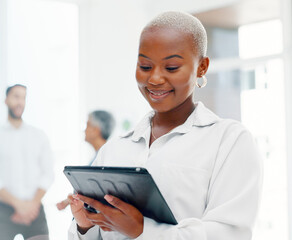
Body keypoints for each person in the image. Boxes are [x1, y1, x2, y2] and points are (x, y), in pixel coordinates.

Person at [67, 11, 262, 239]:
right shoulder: (113, 150)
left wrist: (142, 231)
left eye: (171, 68)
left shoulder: (229, 141)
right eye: (145, 66)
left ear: (202, 67)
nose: (155, 79)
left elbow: (229, 234)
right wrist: (84, 226)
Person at [0, 84, 54, 240]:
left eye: (23, 97)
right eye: (15, 96)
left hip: (35, 208)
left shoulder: (39, 135)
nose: (20, 102)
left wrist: (31, 205)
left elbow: (48, 174)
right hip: (4, 210)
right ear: (6, 100)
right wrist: (18, 205)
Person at [56, 110, 115, 210]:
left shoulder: (108, 157)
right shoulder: (98, 157)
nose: (84, 130)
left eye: (87, 125)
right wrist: (68, 201)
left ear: (96, 130)